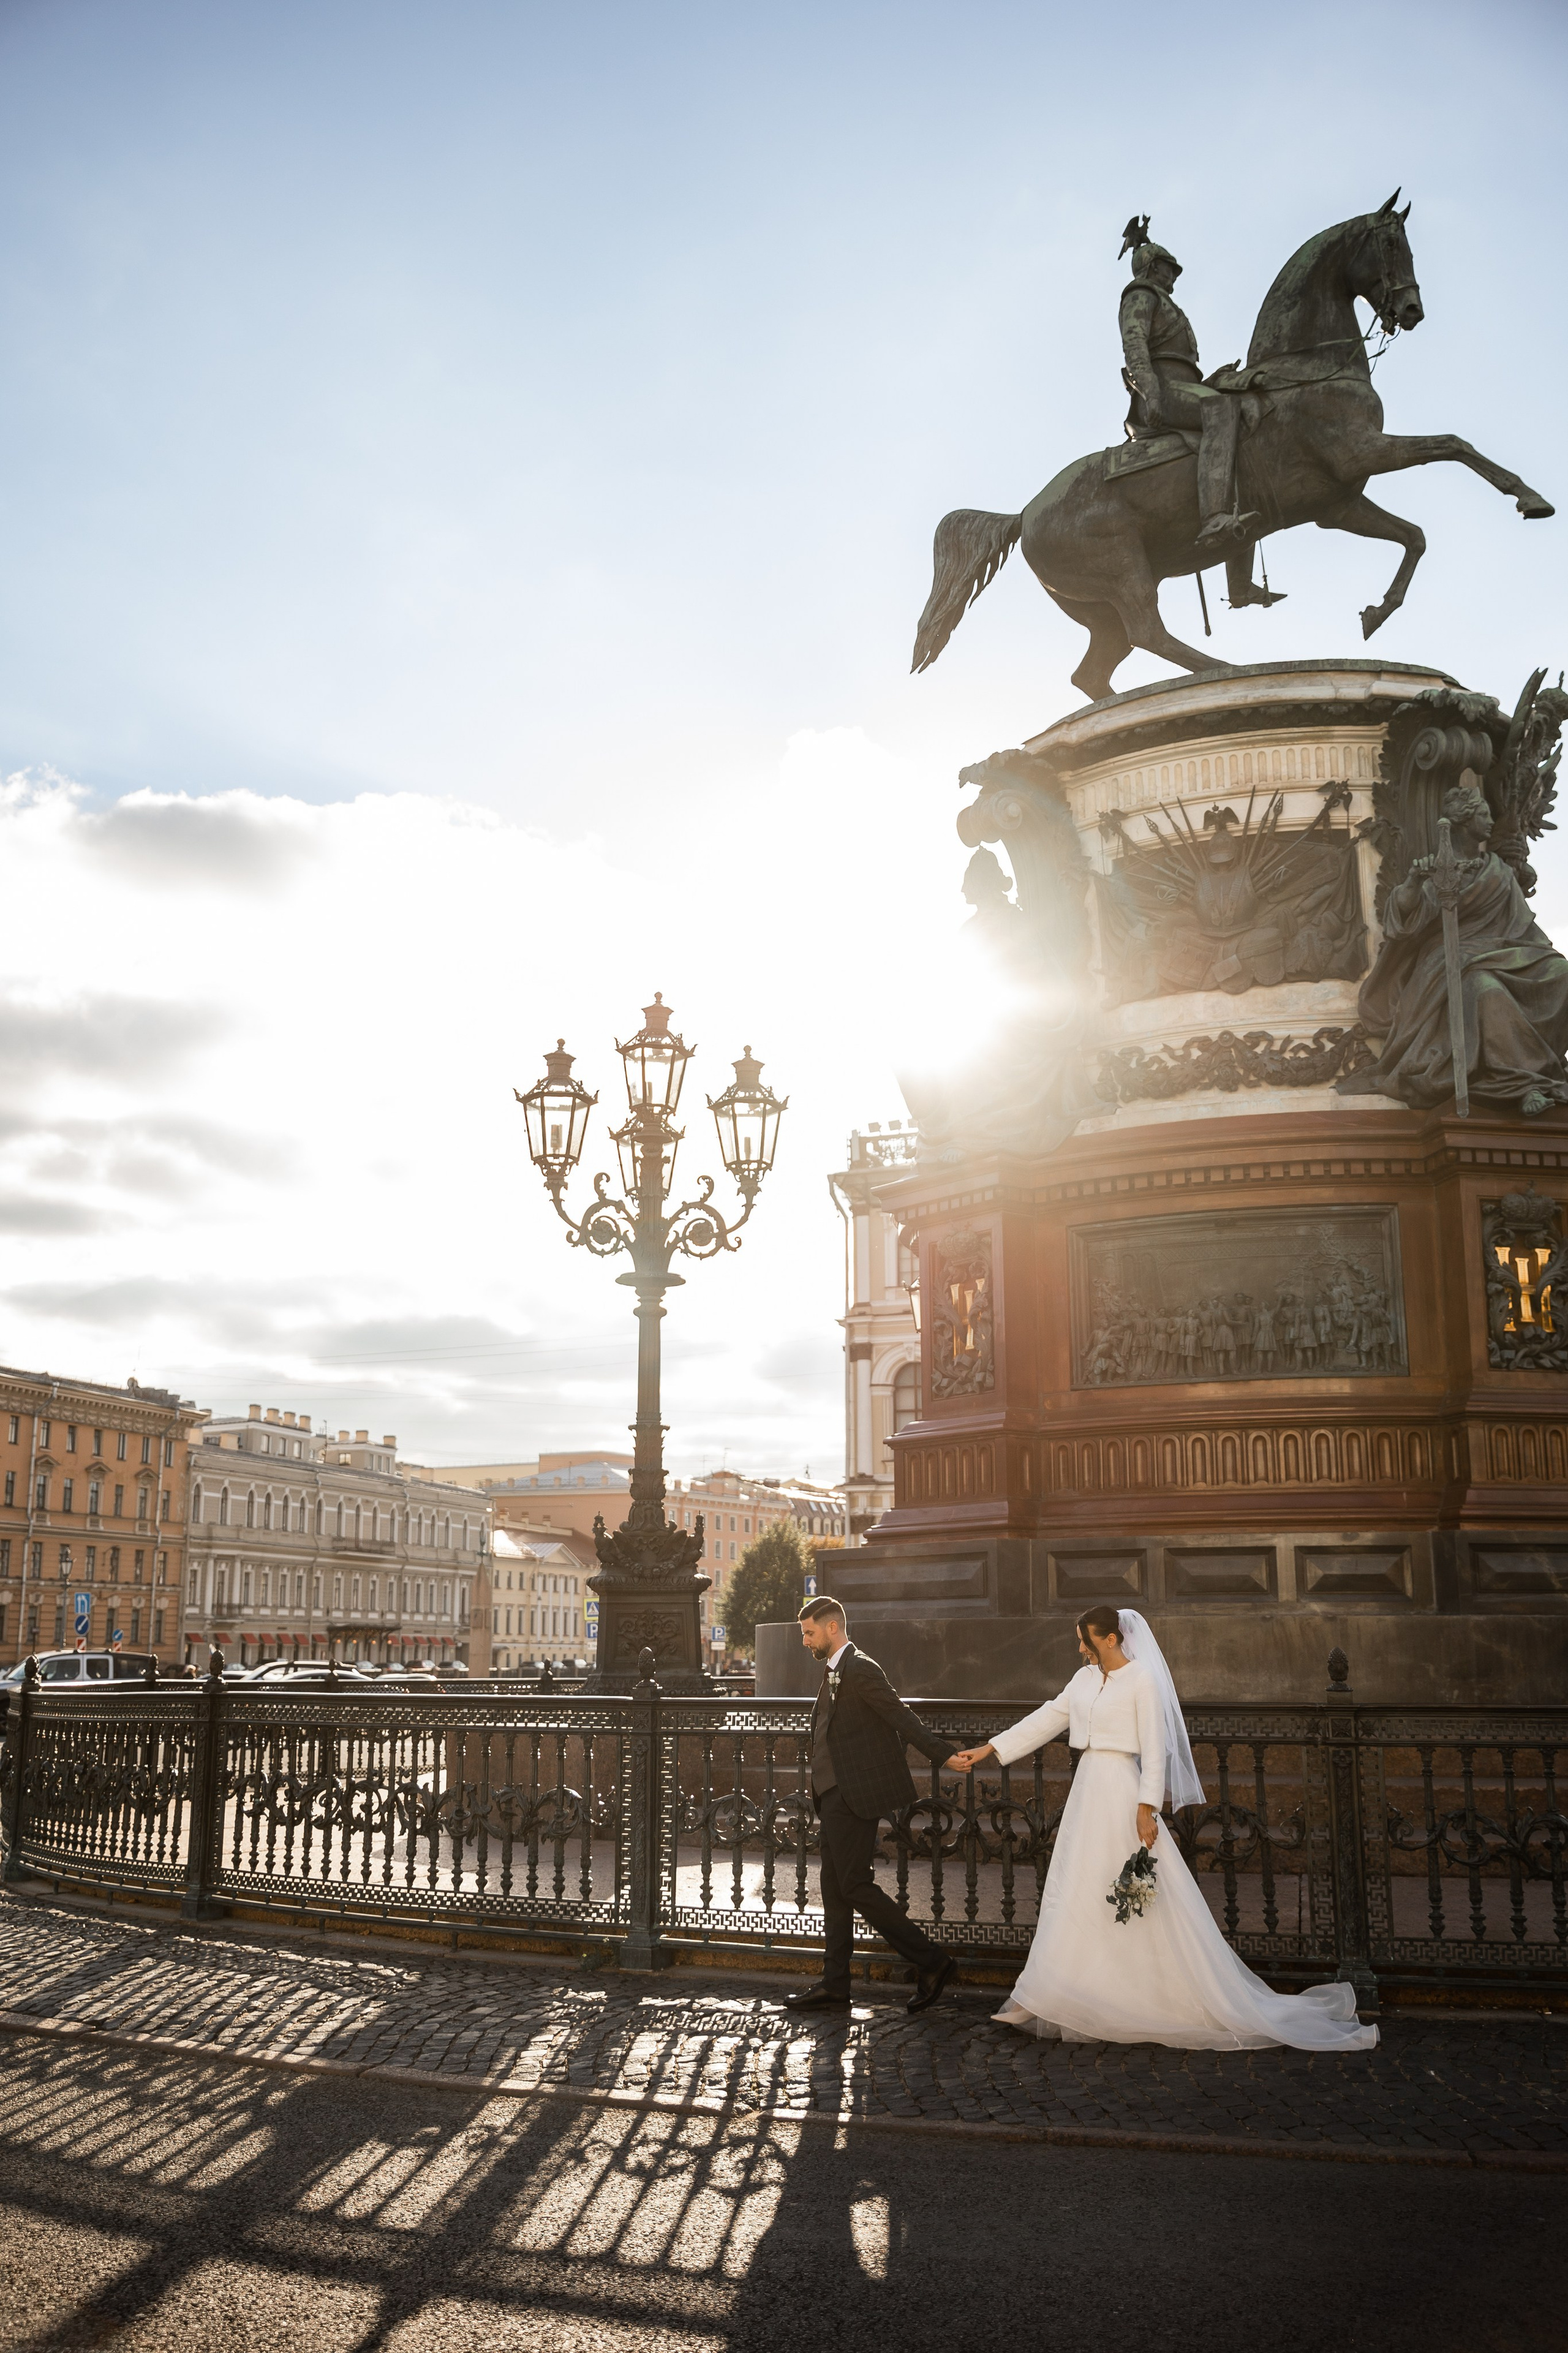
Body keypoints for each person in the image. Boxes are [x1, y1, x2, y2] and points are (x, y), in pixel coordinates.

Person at [945, 1606, 1378, 2050]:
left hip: (1122, 1791)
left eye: (1086, 1640)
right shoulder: (1082, 1680)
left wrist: (1146, 1808)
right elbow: (1048, 1716)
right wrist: (989, 1749)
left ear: (1111, 1638)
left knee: (1132, 1891)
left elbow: (1154, 1748)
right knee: (1071, 1888)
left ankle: (1144, 1992)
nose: (1080, 1648)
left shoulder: (1143, 1680)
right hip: (1087, 1791)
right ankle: (1039, 1995)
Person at [786, 1596, 960, 2015]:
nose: (805, 1640)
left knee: (853, 1885)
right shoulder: (835, 1671)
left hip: (852, 1796)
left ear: (832, 1628)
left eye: (809, 1632)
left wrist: (944, 1754)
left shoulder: (861, 1667)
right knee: (835, 1888)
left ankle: (932, 1961)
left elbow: (901, 1716)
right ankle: (835, 1983)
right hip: (832, 1796)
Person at [1117, 216, 1257, 554]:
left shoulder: (1166, 302)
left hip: (1183, 387)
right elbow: (1135, 344)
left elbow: (1184, 371)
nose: (1175, 276)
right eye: (1169, 268)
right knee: (1223, 411)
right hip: (1161, 390)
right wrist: (1150, 392)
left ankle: (1239, 584)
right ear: (1152, 268)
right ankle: (1213, 518)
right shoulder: (1140, 294)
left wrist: (1214, 380)